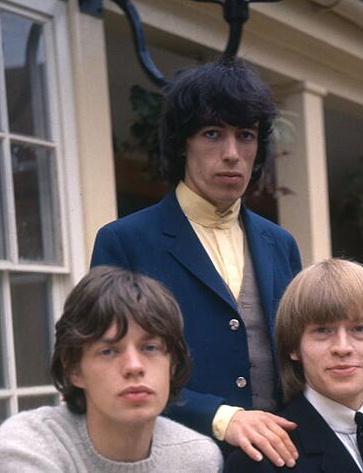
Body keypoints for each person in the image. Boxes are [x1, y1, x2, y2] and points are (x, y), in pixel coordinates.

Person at [91, 58, 302, 467]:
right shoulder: (125, 242)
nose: (231, 154)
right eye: (212, 134)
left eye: (246, 136)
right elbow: (110, 369)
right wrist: (220, 417)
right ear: (181, 143)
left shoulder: (281, 244)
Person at [0, 266, 223, 472]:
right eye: (109, 351)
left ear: (172, 364)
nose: (134, 366)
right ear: (74, 369)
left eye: (150, 348)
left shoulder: (197, 458)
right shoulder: (29, 445)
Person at [225, 259, 363, 472]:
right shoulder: (259, 463)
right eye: (323, 331)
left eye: (359, 329)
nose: (342, 348)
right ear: (293, 347)